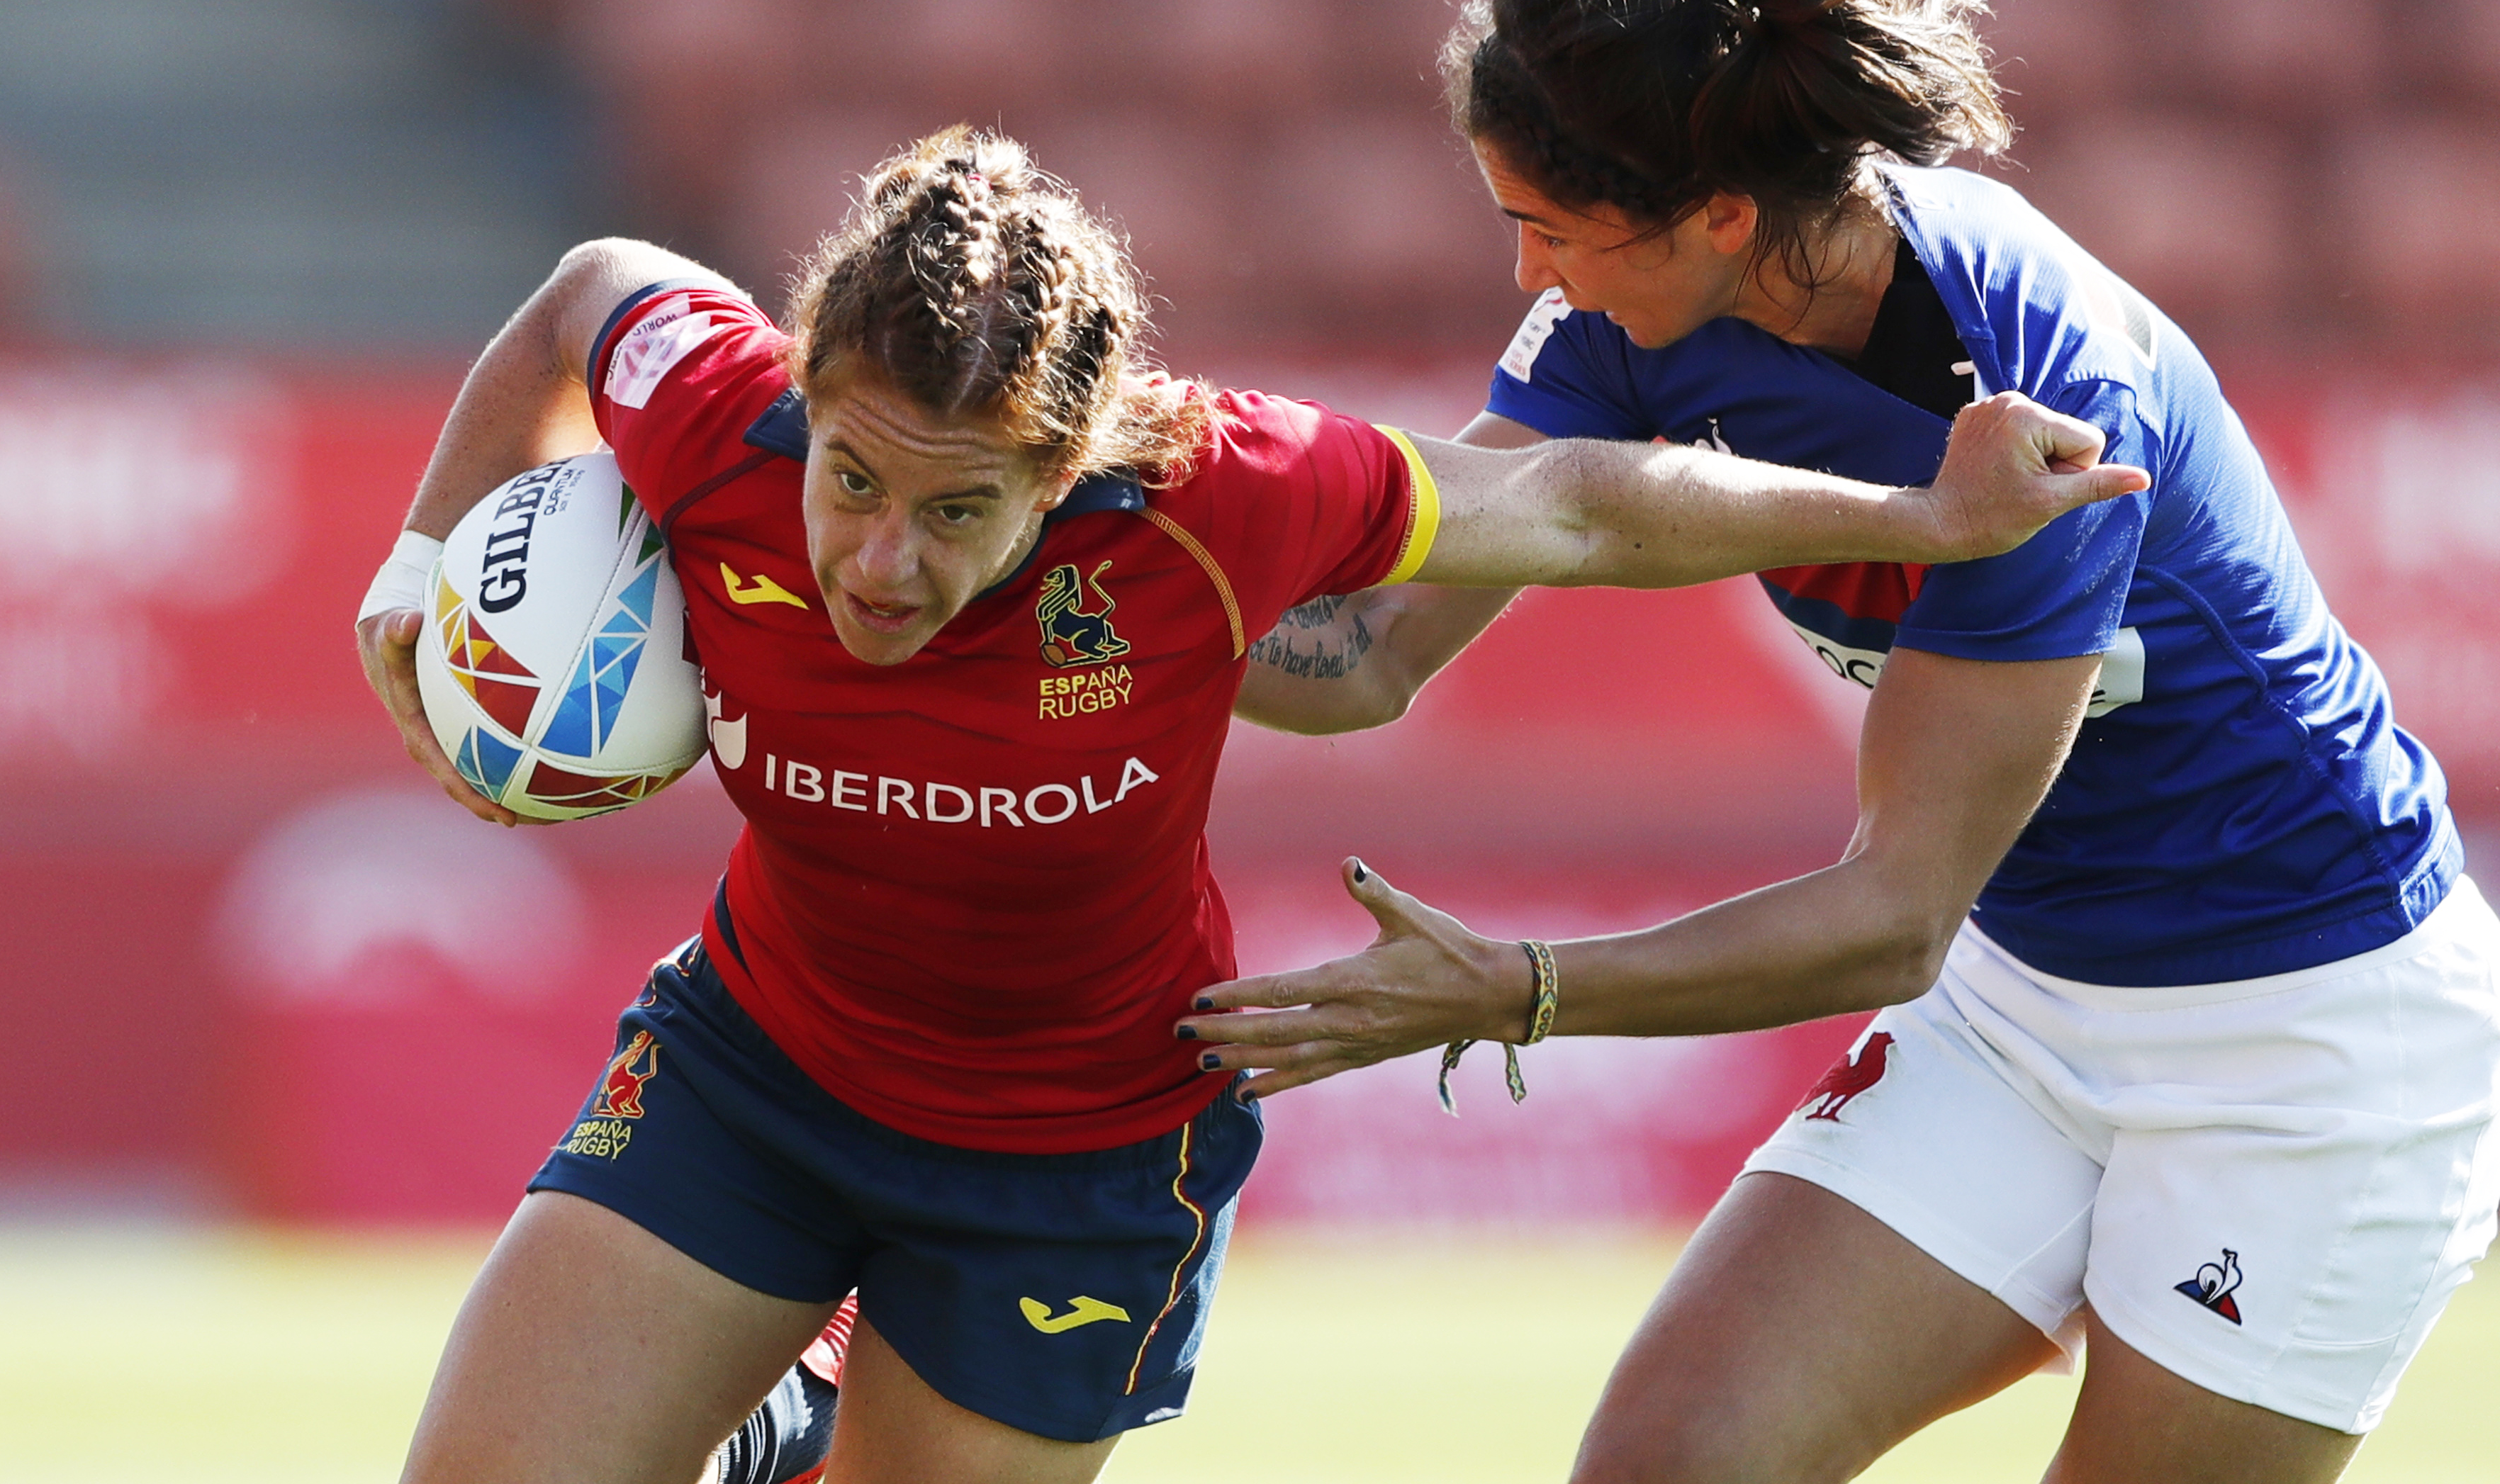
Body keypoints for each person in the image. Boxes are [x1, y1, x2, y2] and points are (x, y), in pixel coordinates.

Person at [354, 125, 2136, 1484]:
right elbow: (592, 289)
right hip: (758, 1074)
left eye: (959, 510)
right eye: (852, 477)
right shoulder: (718, 418)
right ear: (805, 399)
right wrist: (415, 569)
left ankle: (800, 1427)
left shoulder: (1222, 488)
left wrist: (1923, 523)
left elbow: (1584, 506)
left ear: (1070, 469)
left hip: (1071, 1165)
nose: (880, 561)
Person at [1193, 0, 2500, 1484]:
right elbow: (1374, 653)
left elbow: (1893, 916)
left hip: (2308, 1040)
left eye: (1549, 224)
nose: (1524, 266)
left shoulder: (2036, 398)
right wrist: (1101, 628)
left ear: (1723, 216)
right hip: (2029, 1010)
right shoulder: (1623, 327)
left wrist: (1518, 985)